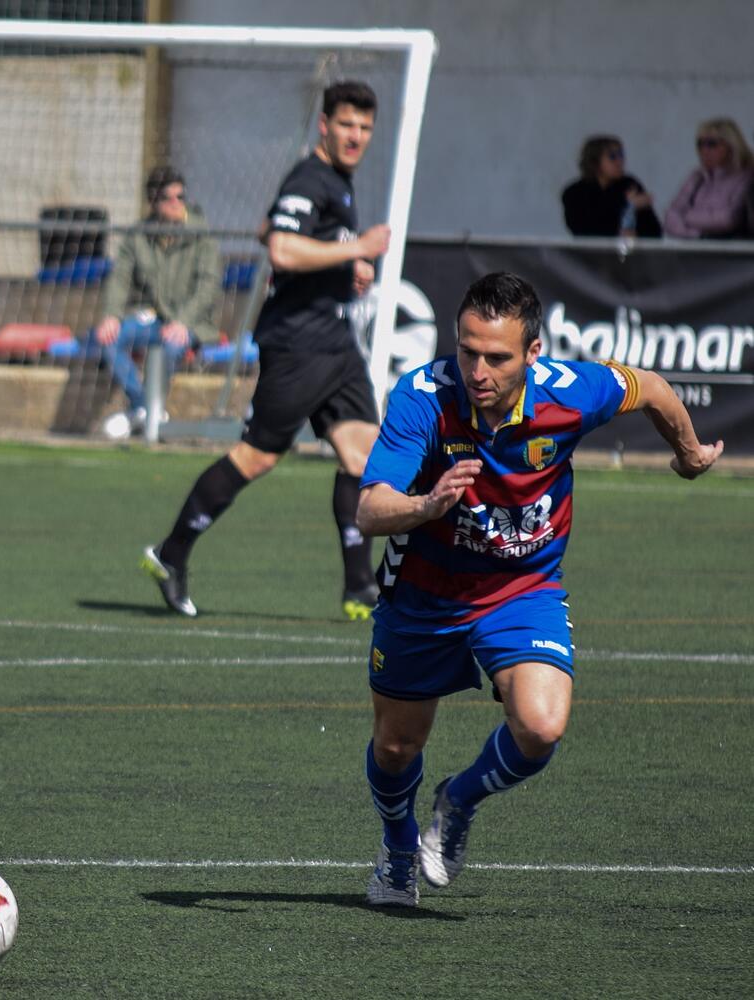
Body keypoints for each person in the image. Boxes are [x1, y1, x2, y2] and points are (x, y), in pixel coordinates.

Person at [356, 272, 722, 907]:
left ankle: (459, 799)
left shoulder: (572, 392)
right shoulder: (422, 396)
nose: (478, 371)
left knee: (542, 726)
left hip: (521, 587)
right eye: (467, 351)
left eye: (496, 357)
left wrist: (688, 453)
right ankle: (397, 851)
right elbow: (369, 509)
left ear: (533, 352)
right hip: (425, 592)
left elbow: (653, 389)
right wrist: (425, 505)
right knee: (395, 746)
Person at [140, 80, 391, 620]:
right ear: (324, 126)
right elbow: (281, 247)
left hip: (334, 339)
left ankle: (359, 587)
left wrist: (346, 264)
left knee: (364, 455)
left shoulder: (335, 182)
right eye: (346, 124)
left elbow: (268, 228)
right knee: (257, 456)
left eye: (365, 127)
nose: (356, 136)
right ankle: (171, 552)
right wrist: (359, 247)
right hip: (299, 344)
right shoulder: (310, 177)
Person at [92, 166, 222, 435]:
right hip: (153, 317)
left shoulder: (202, 236)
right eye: (167, 198)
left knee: (170, 347)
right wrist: (111, 315)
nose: (176, 203)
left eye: (180, 197)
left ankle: (145, 412)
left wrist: (183, 322)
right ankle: (145, 408)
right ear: (152, 202)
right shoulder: (139, 236)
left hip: (191, 323)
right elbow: (119, 279)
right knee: (108, 339)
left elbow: (208, 288)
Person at [663, 117, 754, 239]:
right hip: (696, 246)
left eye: (712, 144)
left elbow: (729, 218)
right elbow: (670, 216)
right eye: (700, 144)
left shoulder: (746, 177)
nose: (704, 150)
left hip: (732, 248)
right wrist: (697, 235)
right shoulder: (697, 177)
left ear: (731, 146)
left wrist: (687, 216)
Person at [560, 135, 661, 238]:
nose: (619, 161)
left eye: (621, 155)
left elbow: (654, 231)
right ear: (595, 162)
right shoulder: (574, 192)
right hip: (591, 248)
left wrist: (637, 234)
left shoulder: (629, 185)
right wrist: (627, 207)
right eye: (612, 157)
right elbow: (582, 228)